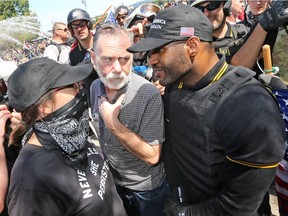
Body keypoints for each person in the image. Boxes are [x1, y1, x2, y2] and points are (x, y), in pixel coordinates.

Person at [127, 5, 286, 216]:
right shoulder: (176, 81)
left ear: (192, 46)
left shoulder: (249, 107)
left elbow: (236, 206)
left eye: (159, 49)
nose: (151, 59)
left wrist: (181, 213)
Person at [6, 58, 126, 216]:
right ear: (45, 106)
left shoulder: (69, 134)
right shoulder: (30, 182)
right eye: (73, 85)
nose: (81, 89)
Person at [89, 23, 169, 216]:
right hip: (114, 183)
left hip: (146, 190)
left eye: (124, 59)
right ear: (93, 58)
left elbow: (152, 156)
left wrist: (114, 125)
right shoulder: (94, 87)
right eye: (108, 59)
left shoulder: (147, 94)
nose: (117, 68)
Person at [67, 8, 98, 93]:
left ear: (88, 25)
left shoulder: (102, 43)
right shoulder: (73, 54)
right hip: (93, 99)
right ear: (72, 30)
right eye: (74, 26)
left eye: (82, 24)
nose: (79, 29)